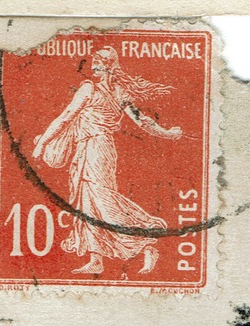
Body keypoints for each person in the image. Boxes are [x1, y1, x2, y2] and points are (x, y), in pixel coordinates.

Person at [30, 46, 184, 276]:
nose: (93, 67)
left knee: (102, 201)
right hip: (95, 148)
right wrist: (168, 133)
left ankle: (146, 243)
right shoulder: (120, 92)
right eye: (94, 63)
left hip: (95, 148)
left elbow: (65, 118)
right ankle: (96, 259)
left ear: (107, 65)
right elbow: (144, 122)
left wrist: (43, 143)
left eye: (97, 63)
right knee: (87, 202)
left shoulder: (89, 89)